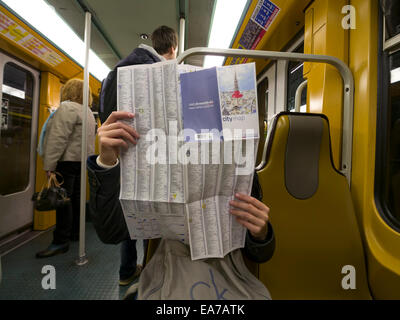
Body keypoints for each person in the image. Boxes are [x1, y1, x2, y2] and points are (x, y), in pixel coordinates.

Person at [98, 25, 178, 286]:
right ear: (173, 49)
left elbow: (105, 118)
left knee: (127, 217)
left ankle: (126, 270)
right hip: (155, 161)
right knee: (153, 220)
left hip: (120, 160)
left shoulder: (116, 73)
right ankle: (152, 270)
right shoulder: (165, 74)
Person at [36, 79, 96, 258]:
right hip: (81, 161)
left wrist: (49, 164)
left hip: (66, 161)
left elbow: (58, 138)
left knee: (63, 202)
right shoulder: (88, 112)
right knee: (76, 199)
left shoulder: (67, 108)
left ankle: (60, 242)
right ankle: (75, 234)